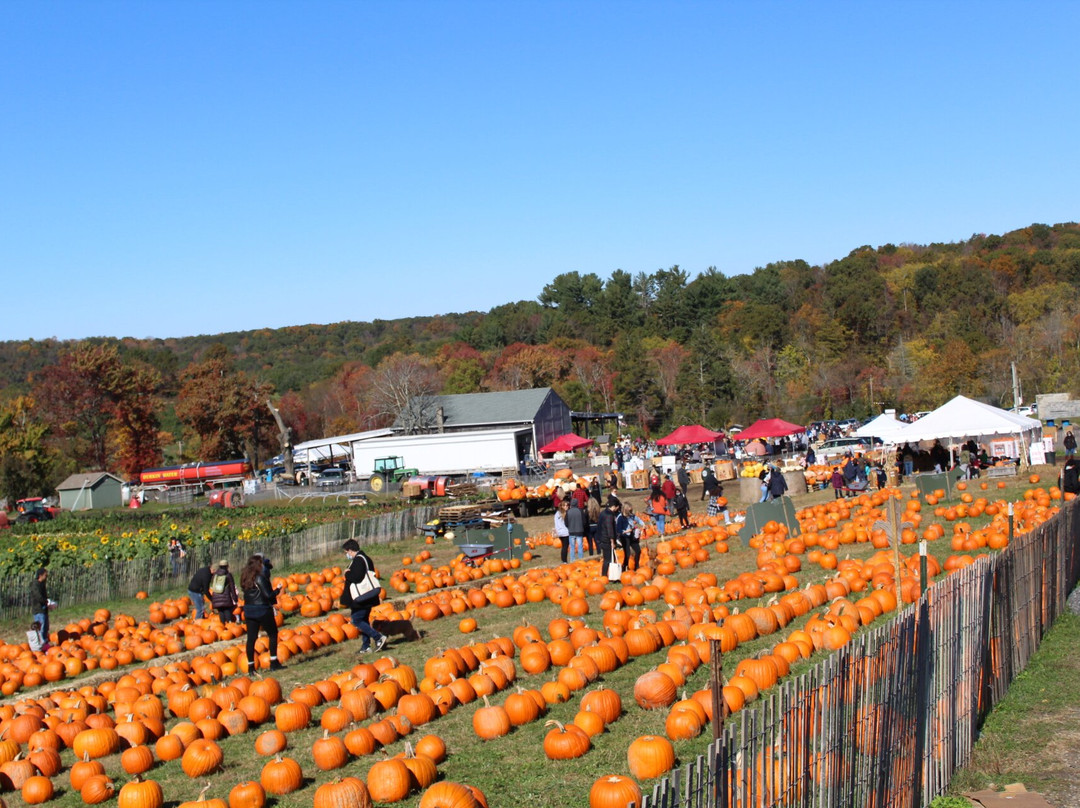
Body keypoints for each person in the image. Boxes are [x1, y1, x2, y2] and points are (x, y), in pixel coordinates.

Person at [342, 539, 388, 654]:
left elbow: (357, 577)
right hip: (368, 596)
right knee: (364, 620)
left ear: (350, 550)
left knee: (356, 620)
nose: (346, 555)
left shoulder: (358, 560)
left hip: (362, 597)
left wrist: (347, 573)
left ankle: (378, 637)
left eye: (346, 552)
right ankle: (366, 646)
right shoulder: (366, 558)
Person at [240, 555, 284, 671]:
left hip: (249, 611)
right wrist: (278, 590)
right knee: (273, 634)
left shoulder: (244, 578)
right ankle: (274, 662)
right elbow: (268, 595)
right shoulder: (259, 578)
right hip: (262, 610)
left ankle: (250, 667)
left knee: (251, 639)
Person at [616, 503, 645, 571]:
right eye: (629, 511)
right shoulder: (620, 518)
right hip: (624, 537)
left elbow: (638, 520)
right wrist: (626, 531)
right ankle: (624, 568)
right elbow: (618, 530)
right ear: (625, 510)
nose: (631, 513)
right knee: (627, 553)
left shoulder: (631, 516)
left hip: (631, 535)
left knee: (638, 550)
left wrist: (643, 524)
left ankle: (636, 566)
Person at [596, 496, 620, 574]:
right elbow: (610, 529)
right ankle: (605, 575)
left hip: (601, 538)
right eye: (617, 507)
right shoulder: (609, 516)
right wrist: (612, 542)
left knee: (608, 557)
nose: (617, 509)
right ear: (614, 507)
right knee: (608, 559)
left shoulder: (603, 512)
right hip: (606, 540)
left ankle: (609, 574)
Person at [30, 567, 55, 640]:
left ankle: (44, 642)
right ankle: (41, 644)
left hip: (44, 608)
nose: (46, 577)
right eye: (45, 575)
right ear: (40, 575)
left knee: (45, 627)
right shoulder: (35, 585)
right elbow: (38, 596)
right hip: (38, 609)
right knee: (41, 627)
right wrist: (46, 601)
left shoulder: (42, 584)